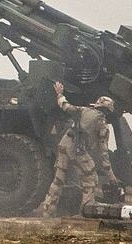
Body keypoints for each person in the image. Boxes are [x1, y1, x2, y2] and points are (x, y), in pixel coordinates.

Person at [41, 81, 122, 216]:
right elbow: (103, 154)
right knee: (91, 179)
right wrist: (111, 177)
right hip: (77, 149)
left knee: (58, 180)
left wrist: (60, 93)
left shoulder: (83, 111)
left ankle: (48, 211)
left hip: (64, 145)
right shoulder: (102, 124)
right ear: (108, 111)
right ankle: (86, 212)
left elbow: (64, 105)